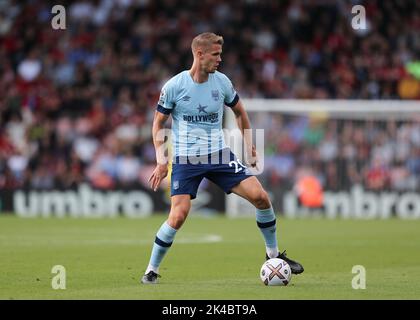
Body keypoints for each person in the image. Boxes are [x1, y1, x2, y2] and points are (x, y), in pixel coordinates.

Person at [141, 32, 304, 284]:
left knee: (261, 197)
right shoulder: (174, 86)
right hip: (186, 159)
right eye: (215, 54)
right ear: (199, 54)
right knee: (178, 215)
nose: (220, 59)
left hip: (219, 155)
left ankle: (273, 256)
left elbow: (239, 112)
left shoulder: (222, 83)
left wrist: (249, 145)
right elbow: (158, 123)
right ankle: (151, 270)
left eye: (220, 54)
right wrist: (162, 161)